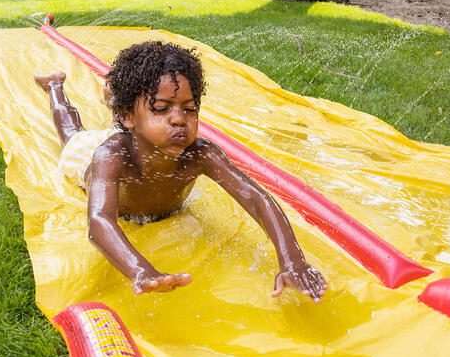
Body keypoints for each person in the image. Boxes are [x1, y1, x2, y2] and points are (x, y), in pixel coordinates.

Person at [35, 40, 327, 300]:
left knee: (136, 108)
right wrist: (140, 270)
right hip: (101, 151)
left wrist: (292, 260)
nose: (179, 120)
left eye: (189, 108)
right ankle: (55, 87)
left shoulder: (201, 154)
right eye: (162, 109)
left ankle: (122, 97)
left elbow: (255, 197)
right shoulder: (111, 157)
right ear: (128, 117)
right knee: (72, 133)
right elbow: (100, 220)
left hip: (134, 126)